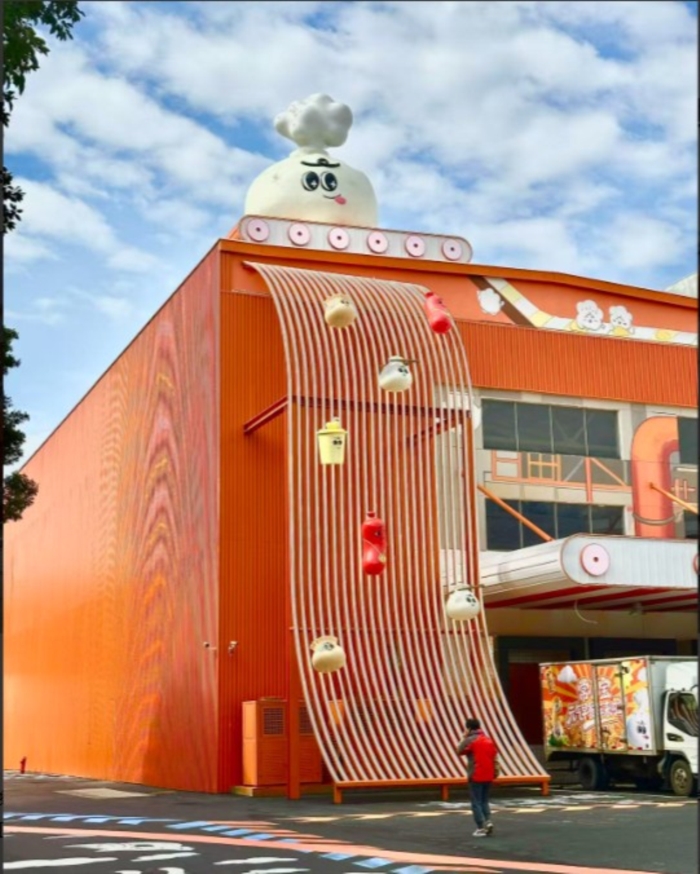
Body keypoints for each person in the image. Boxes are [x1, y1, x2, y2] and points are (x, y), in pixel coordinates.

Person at [457, 717, 498, 837]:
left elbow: (459, 750)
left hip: (475, 774)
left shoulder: (470, 740)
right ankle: (488, 821)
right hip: (488, 775)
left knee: (476, 802)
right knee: (484, 800)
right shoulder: (488, 739)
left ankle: (480, 827)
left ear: (468, 728)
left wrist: (464, 737)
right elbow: (494, 755)